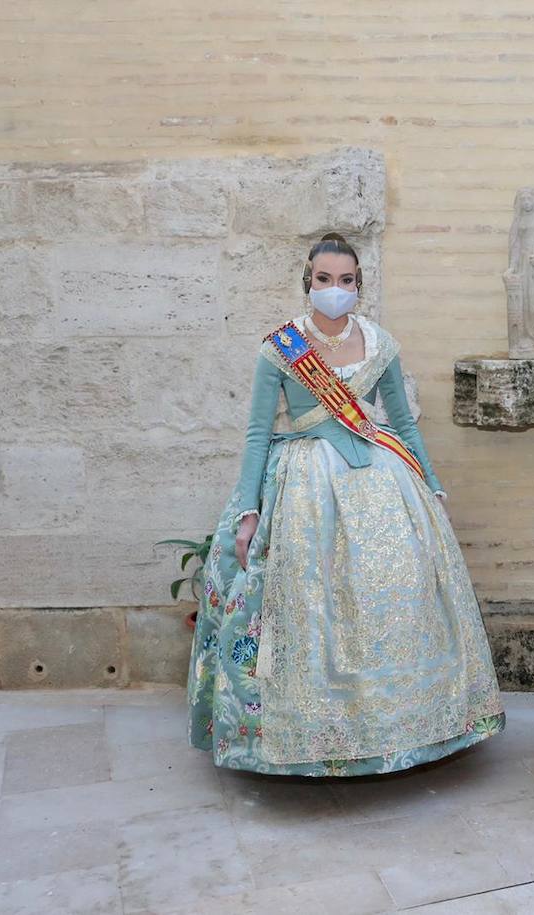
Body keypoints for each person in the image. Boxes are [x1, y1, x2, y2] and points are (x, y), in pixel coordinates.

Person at [187, 232, 504, 776]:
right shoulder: (280, 349)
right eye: (324, 279)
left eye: (347, 280)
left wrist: (431, 485)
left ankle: (404, 727)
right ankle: (305, 737)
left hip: (383, 482)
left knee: (395, 596)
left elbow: (402, 422)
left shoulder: (381, 344)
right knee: (311, 605)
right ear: (307, 282)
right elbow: (258, 434)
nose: (335, 289)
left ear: (360, 284)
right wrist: (248, 510)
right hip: (303, 488)